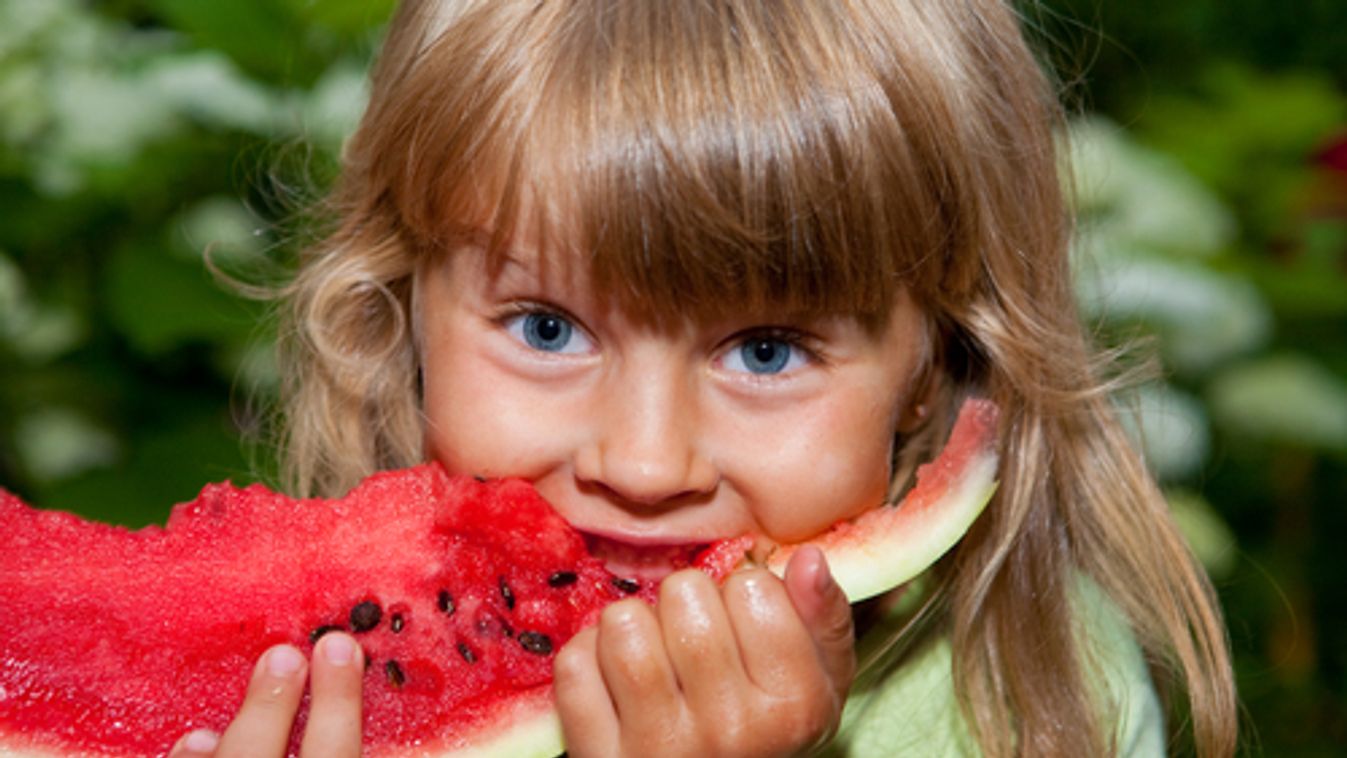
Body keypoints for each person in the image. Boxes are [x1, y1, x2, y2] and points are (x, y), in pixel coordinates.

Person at [168, 0, 1238, 755]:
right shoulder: (309, 667)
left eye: (765, 350)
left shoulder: (1037, 703)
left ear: (932, 368)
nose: (642, 461)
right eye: (546, 328)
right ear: (405, 312)